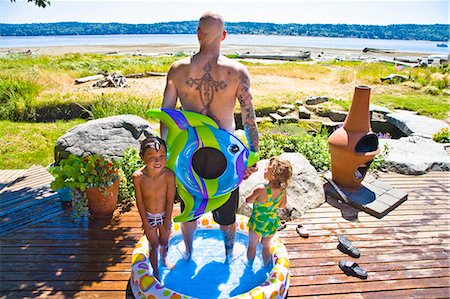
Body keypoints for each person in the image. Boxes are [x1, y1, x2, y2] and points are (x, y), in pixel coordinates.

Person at [160, 11, 259, 263]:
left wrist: (166, 156)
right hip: (225, 154)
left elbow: (166, 117)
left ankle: (188, 252)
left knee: (189, 208)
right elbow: (249, 119)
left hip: (188, 152)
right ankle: (228, 256)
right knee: (227, 211)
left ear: (198, 34)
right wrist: (253, 155)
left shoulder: (178, 70)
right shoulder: (237, 71)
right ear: (224, 36)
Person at [133, 136, 176, 280]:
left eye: (162, 156)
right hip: (149, 216)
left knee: (164, 242)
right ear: (142, 157)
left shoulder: (169, 175)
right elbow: (139, 201)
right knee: (154, 244)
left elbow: (170, 200)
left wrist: (166, 221)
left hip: (165, 215)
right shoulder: (138, 177)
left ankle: (163, 260)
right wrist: (145, 222)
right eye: (152, 157)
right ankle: (156, 270)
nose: (158, 161)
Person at [245, 157, 292, 267]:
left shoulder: (261, 189)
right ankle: (266, 266)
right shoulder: (282, 191)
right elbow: (282, 205)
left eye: (267, 169)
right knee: (266, 246)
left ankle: (249, 265)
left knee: (252, 245)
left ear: (274, 175)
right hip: (271, 223)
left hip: (257, 223)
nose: (264, 170)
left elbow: (248, 200)